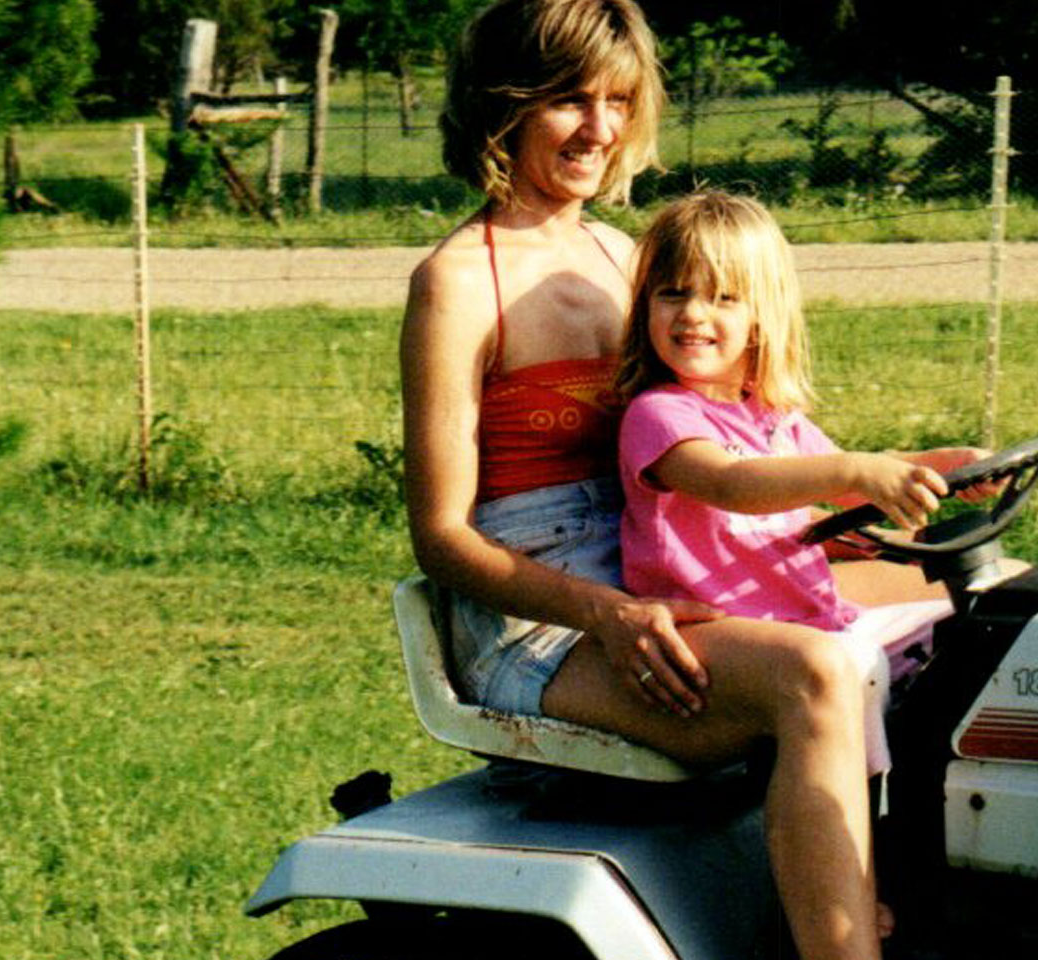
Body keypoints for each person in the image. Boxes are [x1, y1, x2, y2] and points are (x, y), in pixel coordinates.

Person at [402, 3, 932, 959]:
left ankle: (932, 893)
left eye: (618, 99)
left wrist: (864, 504)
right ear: (502, 106)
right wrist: (605, 614)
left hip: (676, 570)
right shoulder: (456, 282)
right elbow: (442, 536)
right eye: (568, 100)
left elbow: (725, 430)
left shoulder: (627, 258)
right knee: (810, 671)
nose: (600, 129)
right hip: (546, 624)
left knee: (967, 593)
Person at [612, 191, 992, 775]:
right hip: (724, 638)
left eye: (723, 297)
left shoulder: (771, 416)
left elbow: (854, 487)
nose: (693, 313)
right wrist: (856, 469)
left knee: (993, 611)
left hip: (807, 619)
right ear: (646, 309)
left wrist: (944, 464)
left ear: (761, 317)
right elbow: (733, 483)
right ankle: (870, 810)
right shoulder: (659, 416)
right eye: (674, 293)